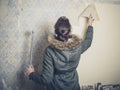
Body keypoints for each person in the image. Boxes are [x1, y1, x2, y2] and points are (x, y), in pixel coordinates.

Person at [26, 15, 94, 90]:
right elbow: (88, 41)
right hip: (73, 87)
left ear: (55, 33)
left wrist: (31, 74)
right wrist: (90, 24)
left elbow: (46, 80)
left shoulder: (49, 51)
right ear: (70, 32)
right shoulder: (78, 47)